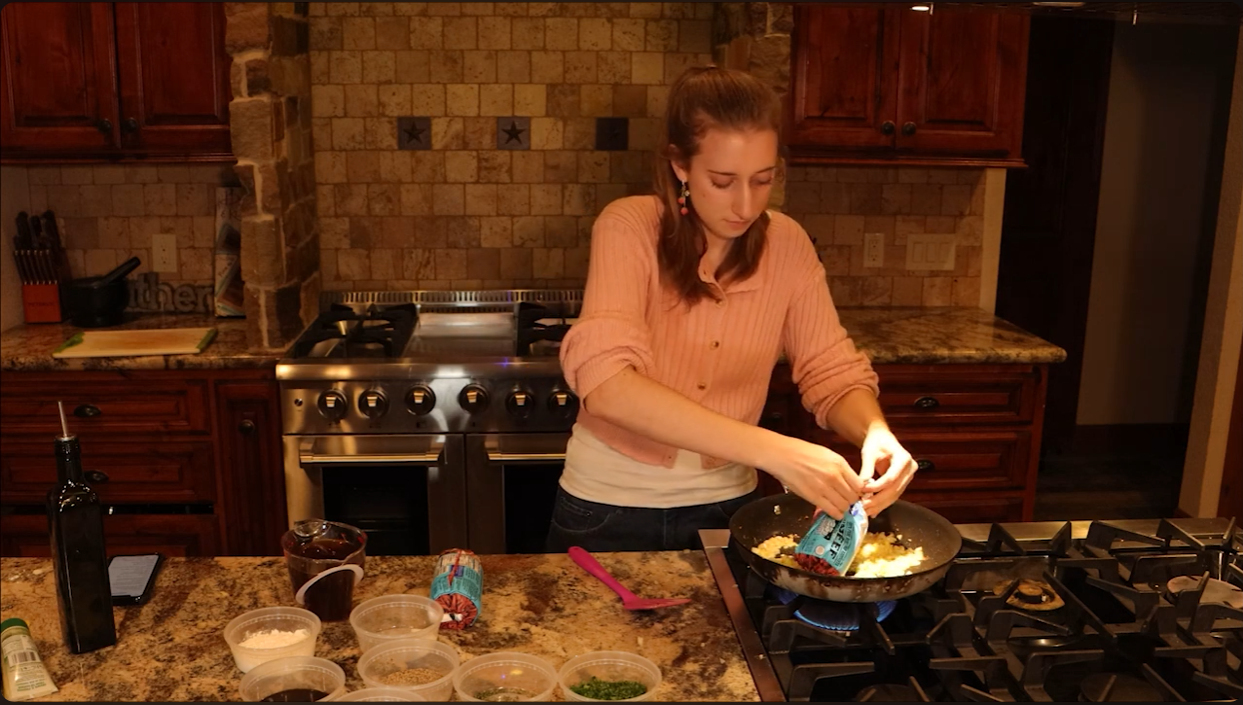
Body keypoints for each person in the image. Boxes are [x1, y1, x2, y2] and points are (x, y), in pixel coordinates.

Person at [544, 66, 918, 554]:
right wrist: (779, 453)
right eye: (722, 181)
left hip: (730, 510)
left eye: (762, 180)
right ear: (681, 166)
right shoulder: (628, 226)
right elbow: (609, 386)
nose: (745, 205)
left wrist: (875, 432)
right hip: (606, 510)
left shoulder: (787, 244)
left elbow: (831, 371)